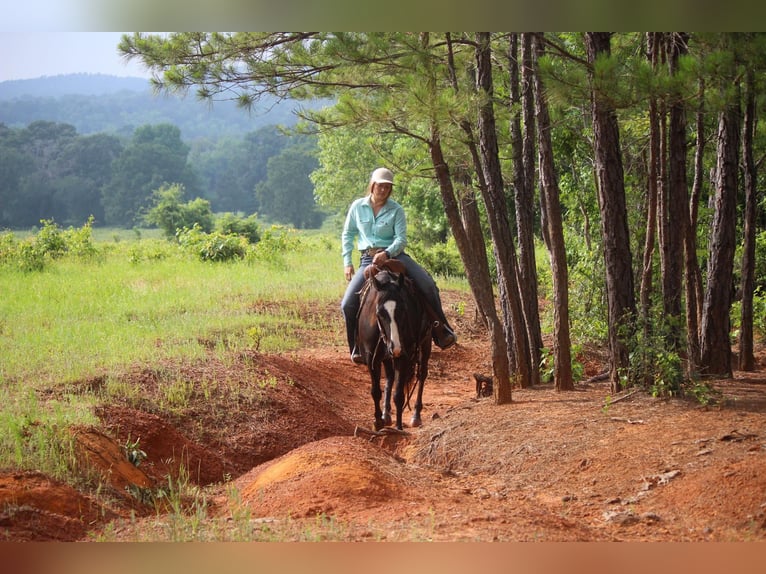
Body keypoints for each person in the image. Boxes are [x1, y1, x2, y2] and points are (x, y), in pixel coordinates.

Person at [341, 167, 457, 364]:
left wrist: (386, 253)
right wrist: (347, 262)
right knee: (347, 304)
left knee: (427, 285)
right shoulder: (357, 207)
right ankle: (357, 348)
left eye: (387, 187)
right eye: (380, 185)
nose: (384, 190)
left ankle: (442, 330)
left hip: (395, 256)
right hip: (368, 259)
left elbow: (401, 239)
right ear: (372, 185)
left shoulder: (396, 209)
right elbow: (348, 234)